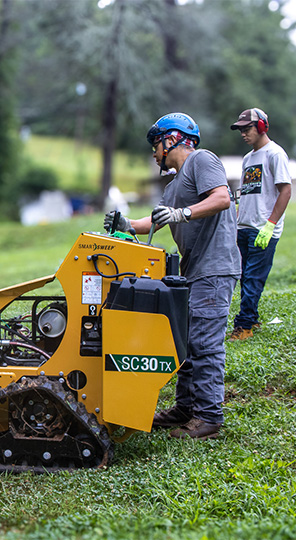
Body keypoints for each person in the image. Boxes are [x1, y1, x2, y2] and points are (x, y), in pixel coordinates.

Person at [104, 112, 241, 440]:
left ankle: (208, 418)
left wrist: (183, 213)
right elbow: (153, 221)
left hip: (214, 267)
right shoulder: (175, 184)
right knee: (187, 342)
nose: (154, 153)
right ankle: (185, 408)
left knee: (204, 344)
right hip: (194, 271)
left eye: (156, 145)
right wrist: (126, 225)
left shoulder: (201, 160)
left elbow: (221, 198)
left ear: (173, 139)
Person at [227, 108, 291, 341]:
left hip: (263, 229)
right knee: (245, 277)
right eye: (241, 130)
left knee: (253, 278)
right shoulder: (247, 158)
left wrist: (270, 224)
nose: (243, 134)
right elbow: (247, 194)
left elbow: (286, 190)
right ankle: (252, 317)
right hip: (244, 227)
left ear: (262, 127)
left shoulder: (275, 154)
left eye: (248, 129)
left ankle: (244, 326)